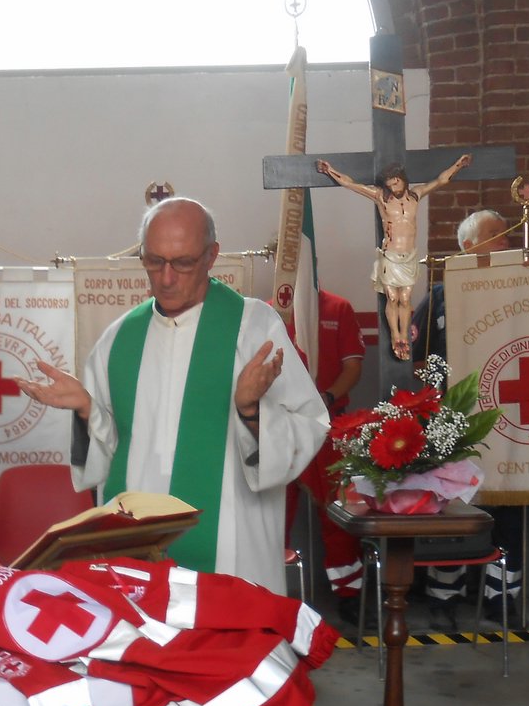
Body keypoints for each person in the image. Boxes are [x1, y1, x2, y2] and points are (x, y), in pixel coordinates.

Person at [18, 198, 328, 595]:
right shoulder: (118, 340)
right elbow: (107, 455)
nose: (165, 278)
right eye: (153, 261)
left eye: (182, 263)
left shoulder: (252, 328)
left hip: (230, 551)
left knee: (225, 646)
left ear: (212, 256)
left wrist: (252, 410)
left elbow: (309, 423)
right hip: (141, 549)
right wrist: (86, 411)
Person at [410, 208, 526, 628]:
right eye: (496, 234)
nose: (505, 241)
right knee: (452, 510)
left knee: (510, 509)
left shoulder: (522, 295)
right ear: (467, 246)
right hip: (453, 427)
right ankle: (444, 596)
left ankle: (502, 597)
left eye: (507, 235)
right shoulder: (440, 299)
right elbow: (421, 365)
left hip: (512, 421)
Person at [315, 154, 472, 360]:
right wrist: (329, 170)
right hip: (390, 255)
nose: (394, 188)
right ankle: (395, 336)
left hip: (409, 255)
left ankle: (404, 336)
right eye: (390, 185)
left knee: (405, 298)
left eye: (396, 183)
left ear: (403, 181)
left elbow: (440, 181)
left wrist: (458, 165)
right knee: (392, 297)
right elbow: (351, 184)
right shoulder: (381, 197)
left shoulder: (416, 195)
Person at [279, 287, 366, 621]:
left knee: (339, 511)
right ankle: (268, 591)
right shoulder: (270, 311)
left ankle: (349, 595)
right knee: (272, 511)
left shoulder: (338, 306)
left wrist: (326, 398)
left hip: (331, 423)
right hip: (283, 426)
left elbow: (353, 367)